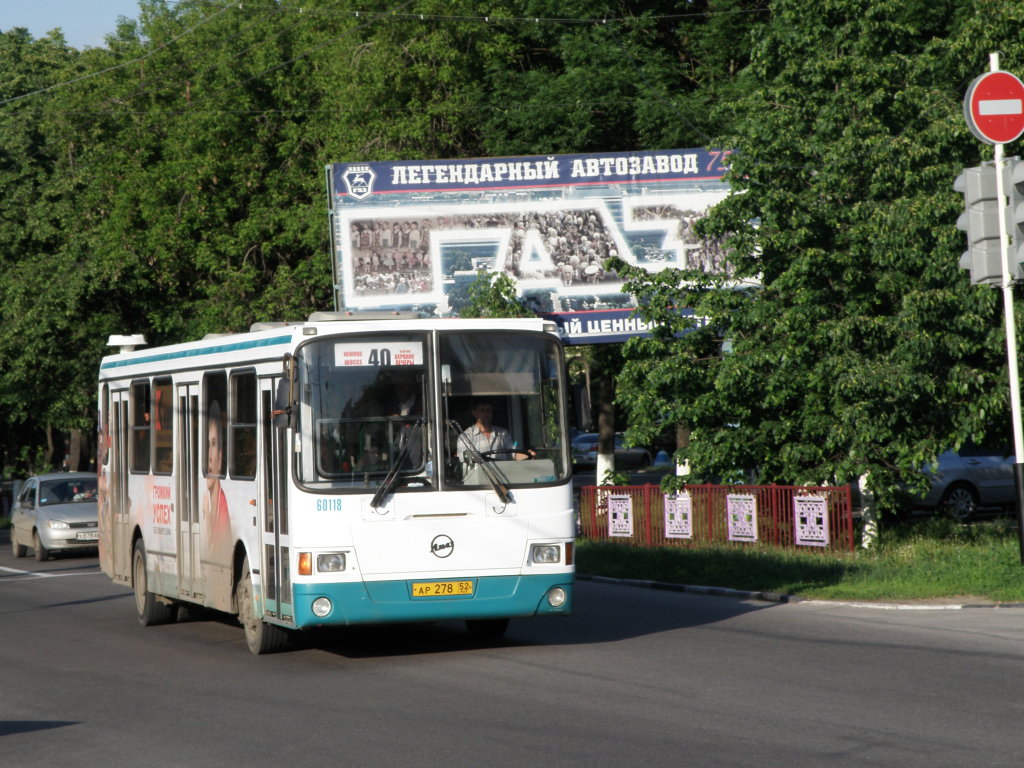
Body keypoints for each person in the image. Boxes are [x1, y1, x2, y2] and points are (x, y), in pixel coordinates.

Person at [202, 401, 231, 562]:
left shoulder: (223, 509)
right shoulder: (207, 506)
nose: (209, 455)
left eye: (213, 444)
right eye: (205, 445)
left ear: (220, 457)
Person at [459, 401, 532, 461]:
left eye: (488, 410)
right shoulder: (465, 437)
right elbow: (464, 465)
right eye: (482, 410)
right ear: (474, 413)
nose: (486, 413)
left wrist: (528, 455)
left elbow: (514, 454)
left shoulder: (503, 434)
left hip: (503, 477)